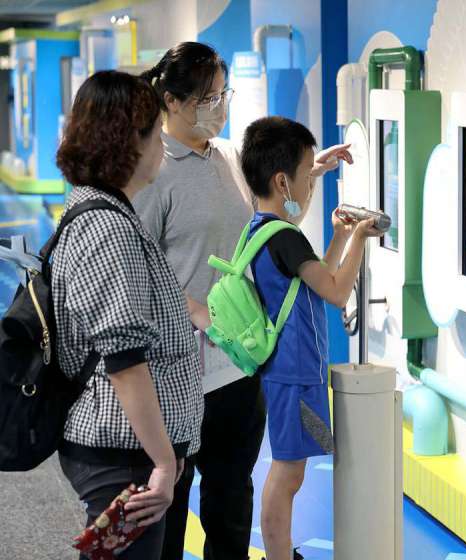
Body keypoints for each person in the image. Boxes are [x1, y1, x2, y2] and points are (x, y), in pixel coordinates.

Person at [136, 42, 351, 560]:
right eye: (208, 98)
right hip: (179, 373)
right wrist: (192, 308)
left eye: (222, 94)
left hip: (241, 363)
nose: (220, 107)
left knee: (231, 505)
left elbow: (274, 225)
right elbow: (138, 267)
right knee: (171, 509)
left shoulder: (230, 157)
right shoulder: (154, 171)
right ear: (172, 101)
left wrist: (307, 172)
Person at [53, 70, 204, 559]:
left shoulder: (107, 213)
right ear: (129, 141)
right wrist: (162, 461)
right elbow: (124, 361)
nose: (163, 147)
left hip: (132, 449)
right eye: (157, 134)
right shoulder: (108, 229)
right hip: (124, 454)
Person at [240, 116, 382, 560]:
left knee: (294, 469)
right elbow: (337, 292)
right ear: (282, 181)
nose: (310, 185)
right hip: (294, 373)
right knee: (287, 474)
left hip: (294, 371)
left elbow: (317, 280)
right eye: (307, 175)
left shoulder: (263, 228)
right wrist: (360, 237)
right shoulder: (285, 236)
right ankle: (278, 556)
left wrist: (340, 236)